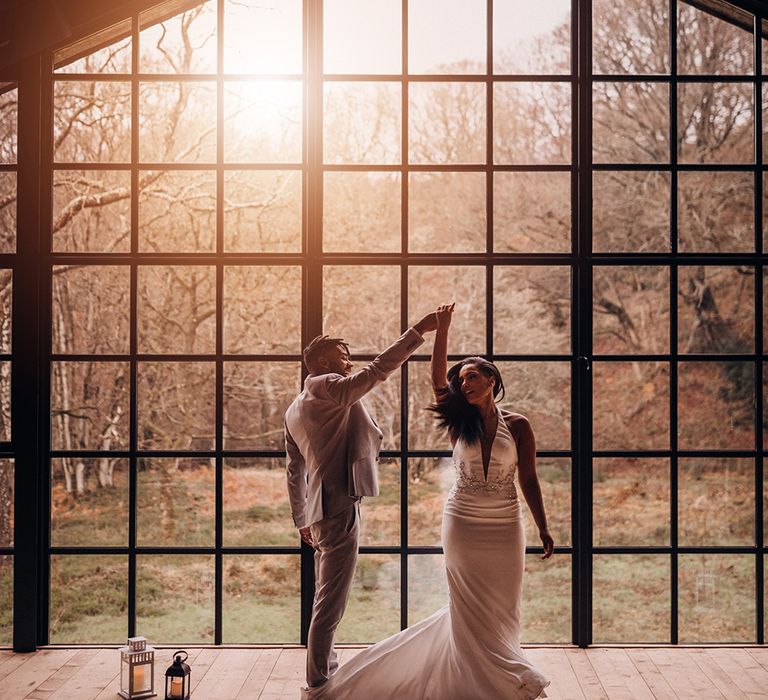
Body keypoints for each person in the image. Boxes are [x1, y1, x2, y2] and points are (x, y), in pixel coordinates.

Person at [304, 302, 554, 699]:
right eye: (462, 380)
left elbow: (529, 478)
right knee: (468, 605)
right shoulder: (459, 420)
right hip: (463, 523)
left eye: (472, 377)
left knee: (504, 605)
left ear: (492, 379)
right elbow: (438, 376)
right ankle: (478, 679)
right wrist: (442, 330)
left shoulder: (519, 424)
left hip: (507, 524)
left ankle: (501, 671)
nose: (465, 384)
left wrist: (543, 527)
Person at [285, 313, 438, 696]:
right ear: (322, 363)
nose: (347, 362)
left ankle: (325, 671)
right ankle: (319, 682)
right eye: (341, 355)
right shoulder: (329, 387)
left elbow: (293, 470)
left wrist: (301, 518)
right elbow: (377, 371)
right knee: (330, 602)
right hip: (337, 508)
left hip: (319, 510)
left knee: (327, 597)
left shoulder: (295, 407)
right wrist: (417, 332)